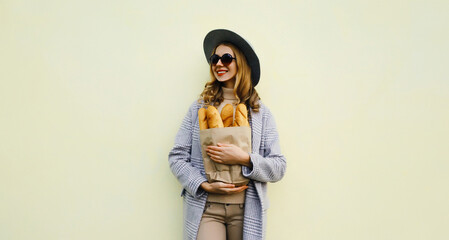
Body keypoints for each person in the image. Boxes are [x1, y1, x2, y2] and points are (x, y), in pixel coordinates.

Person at [168, 29, 286, 240]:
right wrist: (203, 184)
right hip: (207, 207)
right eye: (215, 59)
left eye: (226, 58)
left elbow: (278, 166)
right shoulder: (199, 109)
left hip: (245, 210)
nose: (219, 64)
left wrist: (243, 158)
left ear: (240, 62)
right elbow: (177, 157)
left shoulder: (260, 113)